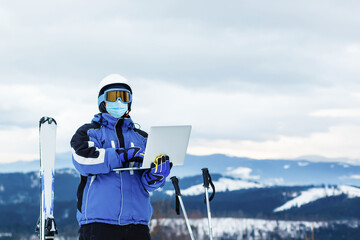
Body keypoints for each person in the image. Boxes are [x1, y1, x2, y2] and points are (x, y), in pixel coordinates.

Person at [70, 74, 172, 240]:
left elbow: (147, 183)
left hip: (137, 225)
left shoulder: (142, 138)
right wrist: (123, 155)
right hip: (99, 225)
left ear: (129, 102)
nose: (118, 101)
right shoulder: (90, 132)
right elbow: (84, 161)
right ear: (102, 101)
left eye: (123, 96)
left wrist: (156, 175)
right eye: (112, 96)